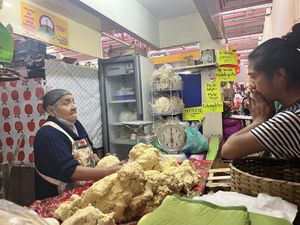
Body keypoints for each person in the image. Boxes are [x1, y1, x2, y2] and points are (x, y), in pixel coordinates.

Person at [221, 23, 300, 159]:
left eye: (254, 76)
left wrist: (260, 119)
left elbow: (228, 150)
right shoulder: (288, 110)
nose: (252, 85)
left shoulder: (291, 118)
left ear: (279, 75)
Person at [34, 89, 124, 200]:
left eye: (73, 101)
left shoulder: (75, 124)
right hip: (57, 199)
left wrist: (97, 159)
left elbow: (90, 149)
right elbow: (69, 171)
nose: (74, 106)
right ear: (51, 110)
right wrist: (107, 171)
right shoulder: (47, 134)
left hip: (82, 191)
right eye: (67, 103)